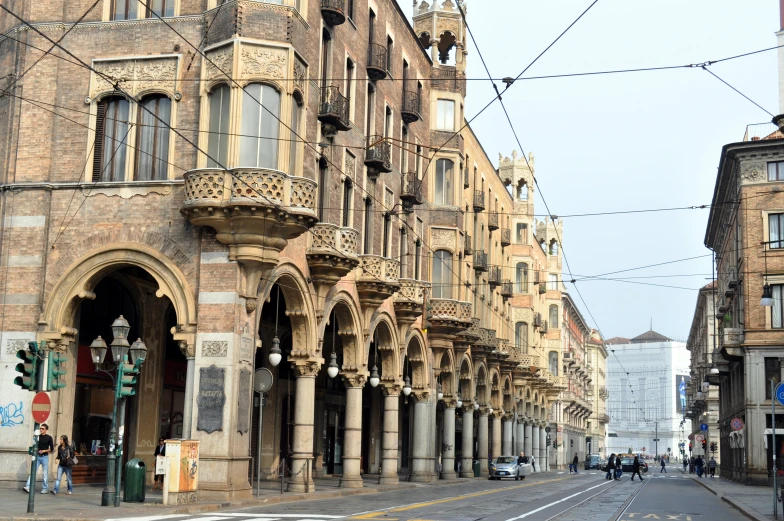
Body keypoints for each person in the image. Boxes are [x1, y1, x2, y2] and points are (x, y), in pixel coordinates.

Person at [24, 423, 54, 493]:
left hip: (45, 457)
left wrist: (44, 451)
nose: (41, 429)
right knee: (33, 472)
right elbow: (34, 445)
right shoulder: (37, 437)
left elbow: (52, 449)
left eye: (42, 429)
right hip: (37, 457)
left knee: (45, 474)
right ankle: (28, 486)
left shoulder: (49, 438)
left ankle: (45, 488)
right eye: (40, 428)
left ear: (46, 430)